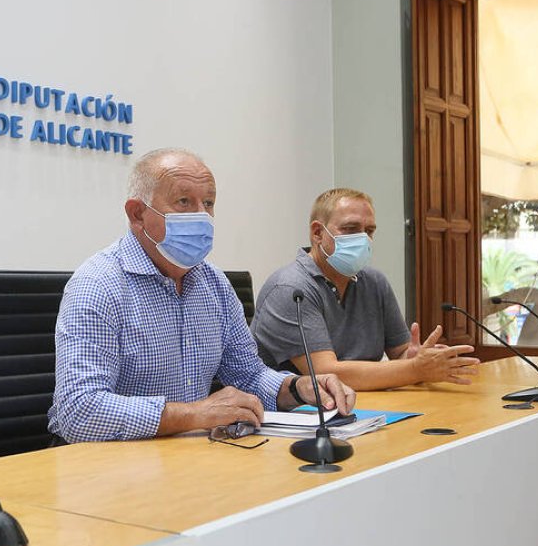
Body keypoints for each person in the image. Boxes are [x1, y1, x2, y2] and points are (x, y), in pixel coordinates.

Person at [48, 149, 355, 443]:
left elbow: (248, 375)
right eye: (184, 201)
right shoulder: (97, 285)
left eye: (208, 203)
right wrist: (195, 414)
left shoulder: (213, 283)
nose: (202, 216)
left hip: (186, 456)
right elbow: (80, 411)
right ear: (137, 213)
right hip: (107, 469)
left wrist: (299, 387)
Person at [251, 188, 480, 390]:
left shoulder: (374, 282)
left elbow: (399, 354)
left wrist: (413, 357)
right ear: (318, 233)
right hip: (295, 417)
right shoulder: (291, 288)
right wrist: (414, 369)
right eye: (351, 229)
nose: (363, 239)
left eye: (369, 231)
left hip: (366, 407)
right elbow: (326, 373)